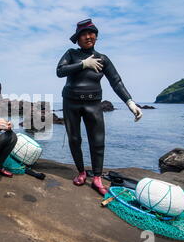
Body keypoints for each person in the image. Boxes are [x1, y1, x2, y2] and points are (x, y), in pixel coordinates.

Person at [56, 19, 142, 196]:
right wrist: (83, 64)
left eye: (91, 33)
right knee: (74, 139)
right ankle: (81, 172)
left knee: (97, 141)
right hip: (71, 102)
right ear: (78, 38)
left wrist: (130, 102)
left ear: (96, 36)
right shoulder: (71, 54)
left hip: (93, 103)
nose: (88, 36)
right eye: (84, 34)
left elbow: (116, 82)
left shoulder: (103, 59)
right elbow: (60, 71)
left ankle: (96, 178)